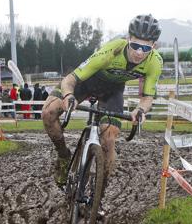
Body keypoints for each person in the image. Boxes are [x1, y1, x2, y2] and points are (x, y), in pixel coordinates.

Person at [42, 14, 162, 186]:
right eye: (135, 45)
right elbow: (70, 79)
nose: (139, 52)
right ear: (128, 39)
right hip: (85, 82)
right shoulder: (112, 50)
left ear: (154, 46)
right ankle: (63, 156)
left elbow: (147, 97)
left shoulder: (155, 62)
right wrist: (68, 95)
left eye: (146, 48)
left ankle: (99, 192)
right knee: (48, 113)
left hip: (112, 91)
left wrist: (141, 110)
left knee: (109, 138)